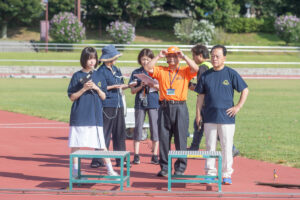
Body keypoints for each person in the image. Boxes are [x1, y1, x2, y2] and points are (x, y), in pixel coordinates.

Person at [195, 45, 249, 185]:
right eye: (212, 55)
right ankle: (210, 173)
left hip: (227, 118)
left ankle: (226, 174)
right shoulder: (206, 75)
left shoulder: (231, 73)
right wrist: (198, 114)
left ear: (224, 57)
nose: (214, 58)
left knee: (226, 145)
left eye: (217, 56)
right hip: (209, 116)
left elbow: (245, 90)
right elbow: (200, 96)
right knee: (210, 146)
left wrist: (238, 107)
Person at [145, 46, 199, 177]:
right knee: (164, 138)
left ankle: (180, 168)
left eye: (175, 56)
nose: (172, 58)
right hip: (164, 107)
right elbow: (147, 68)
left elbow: (196, 68)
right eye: (169, 56)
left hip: (180, 107)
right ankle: (165, 167)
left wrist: (184, 56)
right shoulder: (162, 70)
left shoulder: (185, 70)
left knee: (181, 138)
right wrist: (158, 56)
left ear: (178, 57)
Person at [68, 47, 118, 178]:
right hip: (79, 115)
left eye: (94, 58)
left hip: (95, 115)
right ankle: (75, 172)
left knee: (101, 144)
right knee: (76, 144)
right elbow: (72, 97)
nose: (92, 61)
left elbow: (103, 96)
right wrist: (83, 89)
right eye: (89, 58)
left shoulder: (99, 75)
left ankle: (110, 170)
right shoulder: (77, 76)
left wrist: (96, 87)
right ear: (84, 59)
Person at [188, 44, 240, 157]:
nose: (193, 58)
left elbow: (202, 90)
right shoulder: (208, 66)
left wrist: (189, 86)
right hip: (211, 106)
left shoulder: (203, 67)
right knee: (210, 132)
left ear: (200, 55)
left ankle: (194, 147)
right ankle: (196, 147)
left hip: (209, 106)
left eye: (193, 56)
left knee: (202, 127)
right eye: (213, 56)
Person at [90, 45, 128, 168]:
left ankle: (121, 160)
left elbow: (121, 83)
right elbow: (99, 88)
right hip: (107, 105)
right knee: (104, 133)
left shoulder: (117, 69)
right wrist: (113, 87)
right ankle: (97, 160)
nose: (116, 59)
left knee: (120, 133)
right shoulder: (100, 72)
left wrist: (128, 85)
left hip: (119, 104)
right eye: (114, 57)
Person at [128, 48, 159, 165]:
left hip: (153, 101)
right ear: (140, 60)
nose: (145, 62)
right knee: (138, 127)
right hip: (140, 102)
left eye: (148, 59)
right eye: (143, 59)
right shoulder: (136, 73)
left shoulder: (156, 71)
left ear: (152, 59)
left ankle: (154, 155)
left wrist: (152, 84)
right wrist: (141, 86)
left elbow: (161, 88)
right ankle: (136, 155)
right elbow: (132, 90)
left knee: (154, 128)